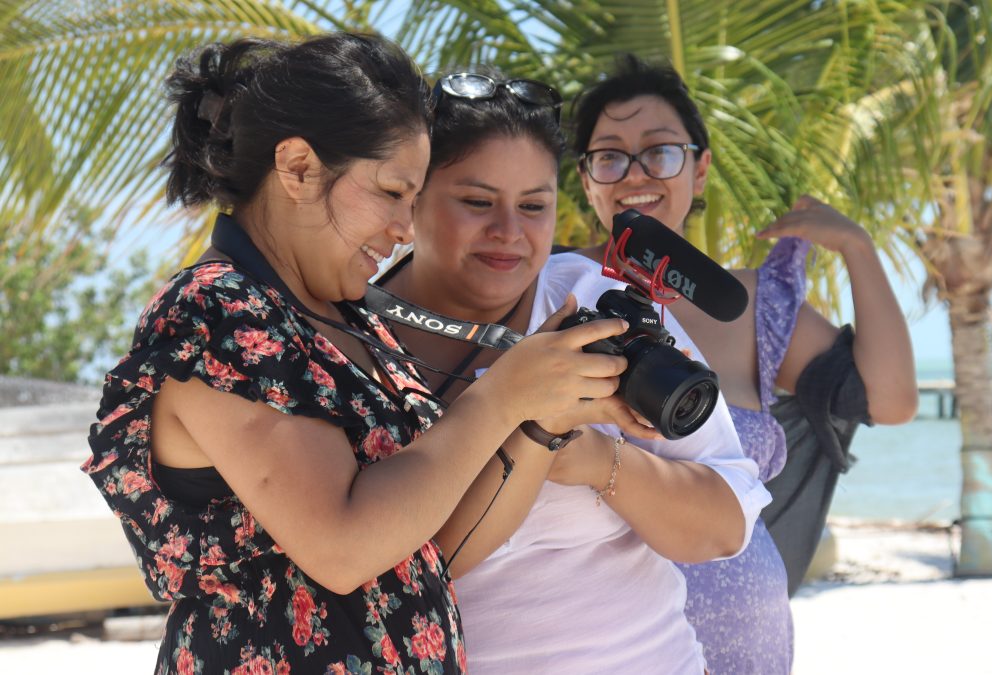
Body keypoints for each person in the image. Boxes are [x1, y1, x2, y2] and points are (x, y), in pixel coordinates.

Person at [81, 34, 634, 673]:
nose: (406, 227)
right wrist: (503, 392)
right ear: (297, 169)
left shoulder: (349, 319)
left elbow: (434, 544)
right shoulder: (216, 313)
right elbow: (343, 547)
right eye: (392, 192)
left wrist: (541, 418)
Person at [375, 69, 771, 673]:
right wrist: (529, 427)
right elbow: (376, 564)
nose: (509, 232)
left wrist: (594, 460)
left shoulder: (597, 303)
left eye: (534, 206)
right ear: (413, 195)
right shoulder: (350, 336)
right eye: (478, 202)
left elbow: (724, 527)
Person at [563, 54, 919, 673]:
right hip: (608, 646)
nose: (635, 172)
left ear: (699, 169)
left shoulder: (750, 305)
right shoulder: (553, 290)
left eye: (661, 151)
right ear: (587, 179)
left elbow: (890, 400)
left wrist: (858, 247)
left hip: (751, 645)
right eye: (610, 155)